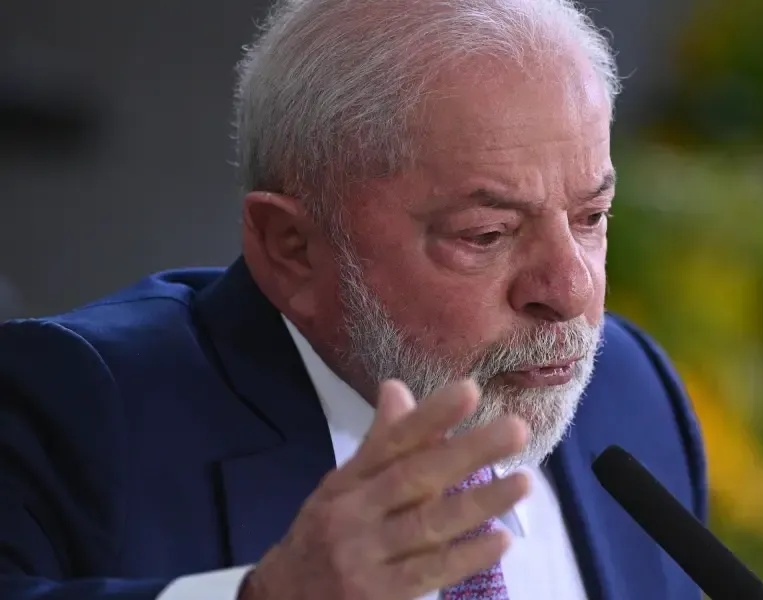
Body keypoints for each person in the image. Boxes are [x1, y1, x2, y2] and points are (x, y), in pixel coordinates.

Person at [0, 1, 707, 599]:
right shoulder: (77, 408)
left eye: (592, 217)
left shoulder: (630, 391)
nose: (571, 291)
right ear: (293, 248)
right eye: (486, 234)